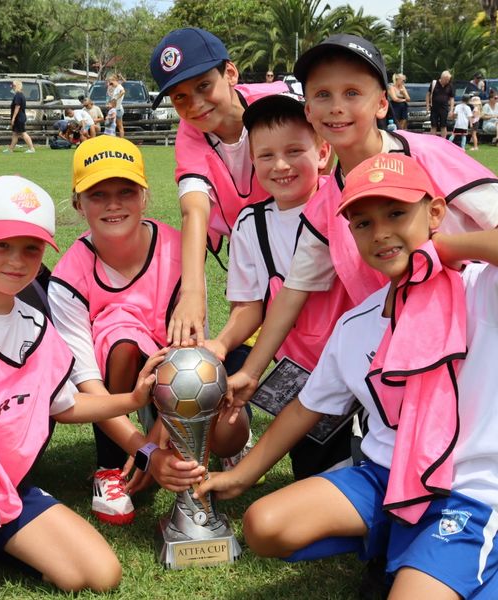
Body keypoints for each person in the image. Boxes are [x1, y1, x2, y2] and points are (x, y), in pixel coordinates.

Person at [197, 152, 498, 599]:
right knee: (264, 526)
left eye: (396, 213)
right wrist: (242, 476)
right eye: (363, 223)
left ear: (434, 211)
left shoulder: (480, 291)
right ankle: (400, 538)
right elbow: (306, 407)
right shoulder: (358, 321)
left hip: (466, 492)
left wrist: (443, 250)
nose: (381, 233)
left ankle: (446, 554)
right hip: (382, 475)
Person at [0, 174, 166, 597]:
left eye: (31, 249)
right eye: (1, 245)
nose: (17, 261)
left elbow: (65, 406)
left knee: (97, 575)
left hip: (1, 486)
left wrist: (132, 400)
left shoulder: (38, 327)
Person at [227, 33, 498, 431]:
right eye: (322, 95)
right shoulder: (325, 206)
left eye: (352, 92)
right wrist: (251, 372)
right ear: (308, 109)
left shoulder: (428, 156)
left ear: (382, 102)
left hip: (479, 344)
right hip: (403, 358)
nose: (336, 108)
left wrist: (436, 250)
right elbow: (294, 292)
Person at [47, 136, 249, 525]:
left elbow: (193, 360)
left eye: (126, 191)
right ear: (78, 203)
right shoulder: (67, 279)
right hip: (118, 386)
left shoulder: (179, 251)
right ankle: (110, 467)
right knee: (120, 338)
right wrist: (147, 454)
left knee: (230, 433)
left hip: (174, 377)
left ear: (144, 196)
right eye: (97, 194)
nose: (113, 204)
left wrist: (158, 443)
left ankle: (199, 447)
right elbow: (90, 389)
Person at [205, 93, 355, 479]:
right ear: (253, 160)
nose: (281, 165)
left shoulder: (348, 203)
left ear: (323, 152)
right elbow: (249, 308)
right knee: (317, 475)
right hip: (301, 377)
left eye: (294, 150)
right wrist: (220, 345)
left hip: (361, 366)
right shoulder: (251, 225)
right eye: (266, 155)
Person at [149, 27, 288, 347]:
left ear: (230, 73)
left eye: (203, 86)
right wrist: (192, 293)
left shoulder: (278, 104)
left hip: (294, 222)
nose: (195, 104)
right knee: (249, 309)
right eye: (180, 96)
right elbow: (194, 209)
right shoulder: (190, 133)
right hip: (243, 236)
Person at [3, 80, 35, 154]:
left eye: (13, 86)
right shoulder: (20, 95)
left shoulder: (18, 95)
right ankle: (10, 149)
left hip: (19, 118)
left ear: (17, 86)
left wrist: (13, 118)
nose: (12, 87)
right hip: (20, 117)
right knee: (15, 134)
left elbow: (17, 107)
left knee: (23, 133)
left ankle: (32, 148)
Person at [426, 70, 455, 139]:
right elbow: (428, 95)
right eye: (446, 80)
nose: (447, 81)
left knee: (443, 125)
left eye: (448, 80)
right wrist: (427, 106)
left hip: (444, 108)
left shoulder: (450, 86)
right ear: (442, 78)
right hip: (434, 108)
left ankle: (443, 141)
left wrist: (451, 110)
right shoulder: (434, 83)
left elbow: (452, 98)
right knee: (433, 125)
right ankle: (433, 141)